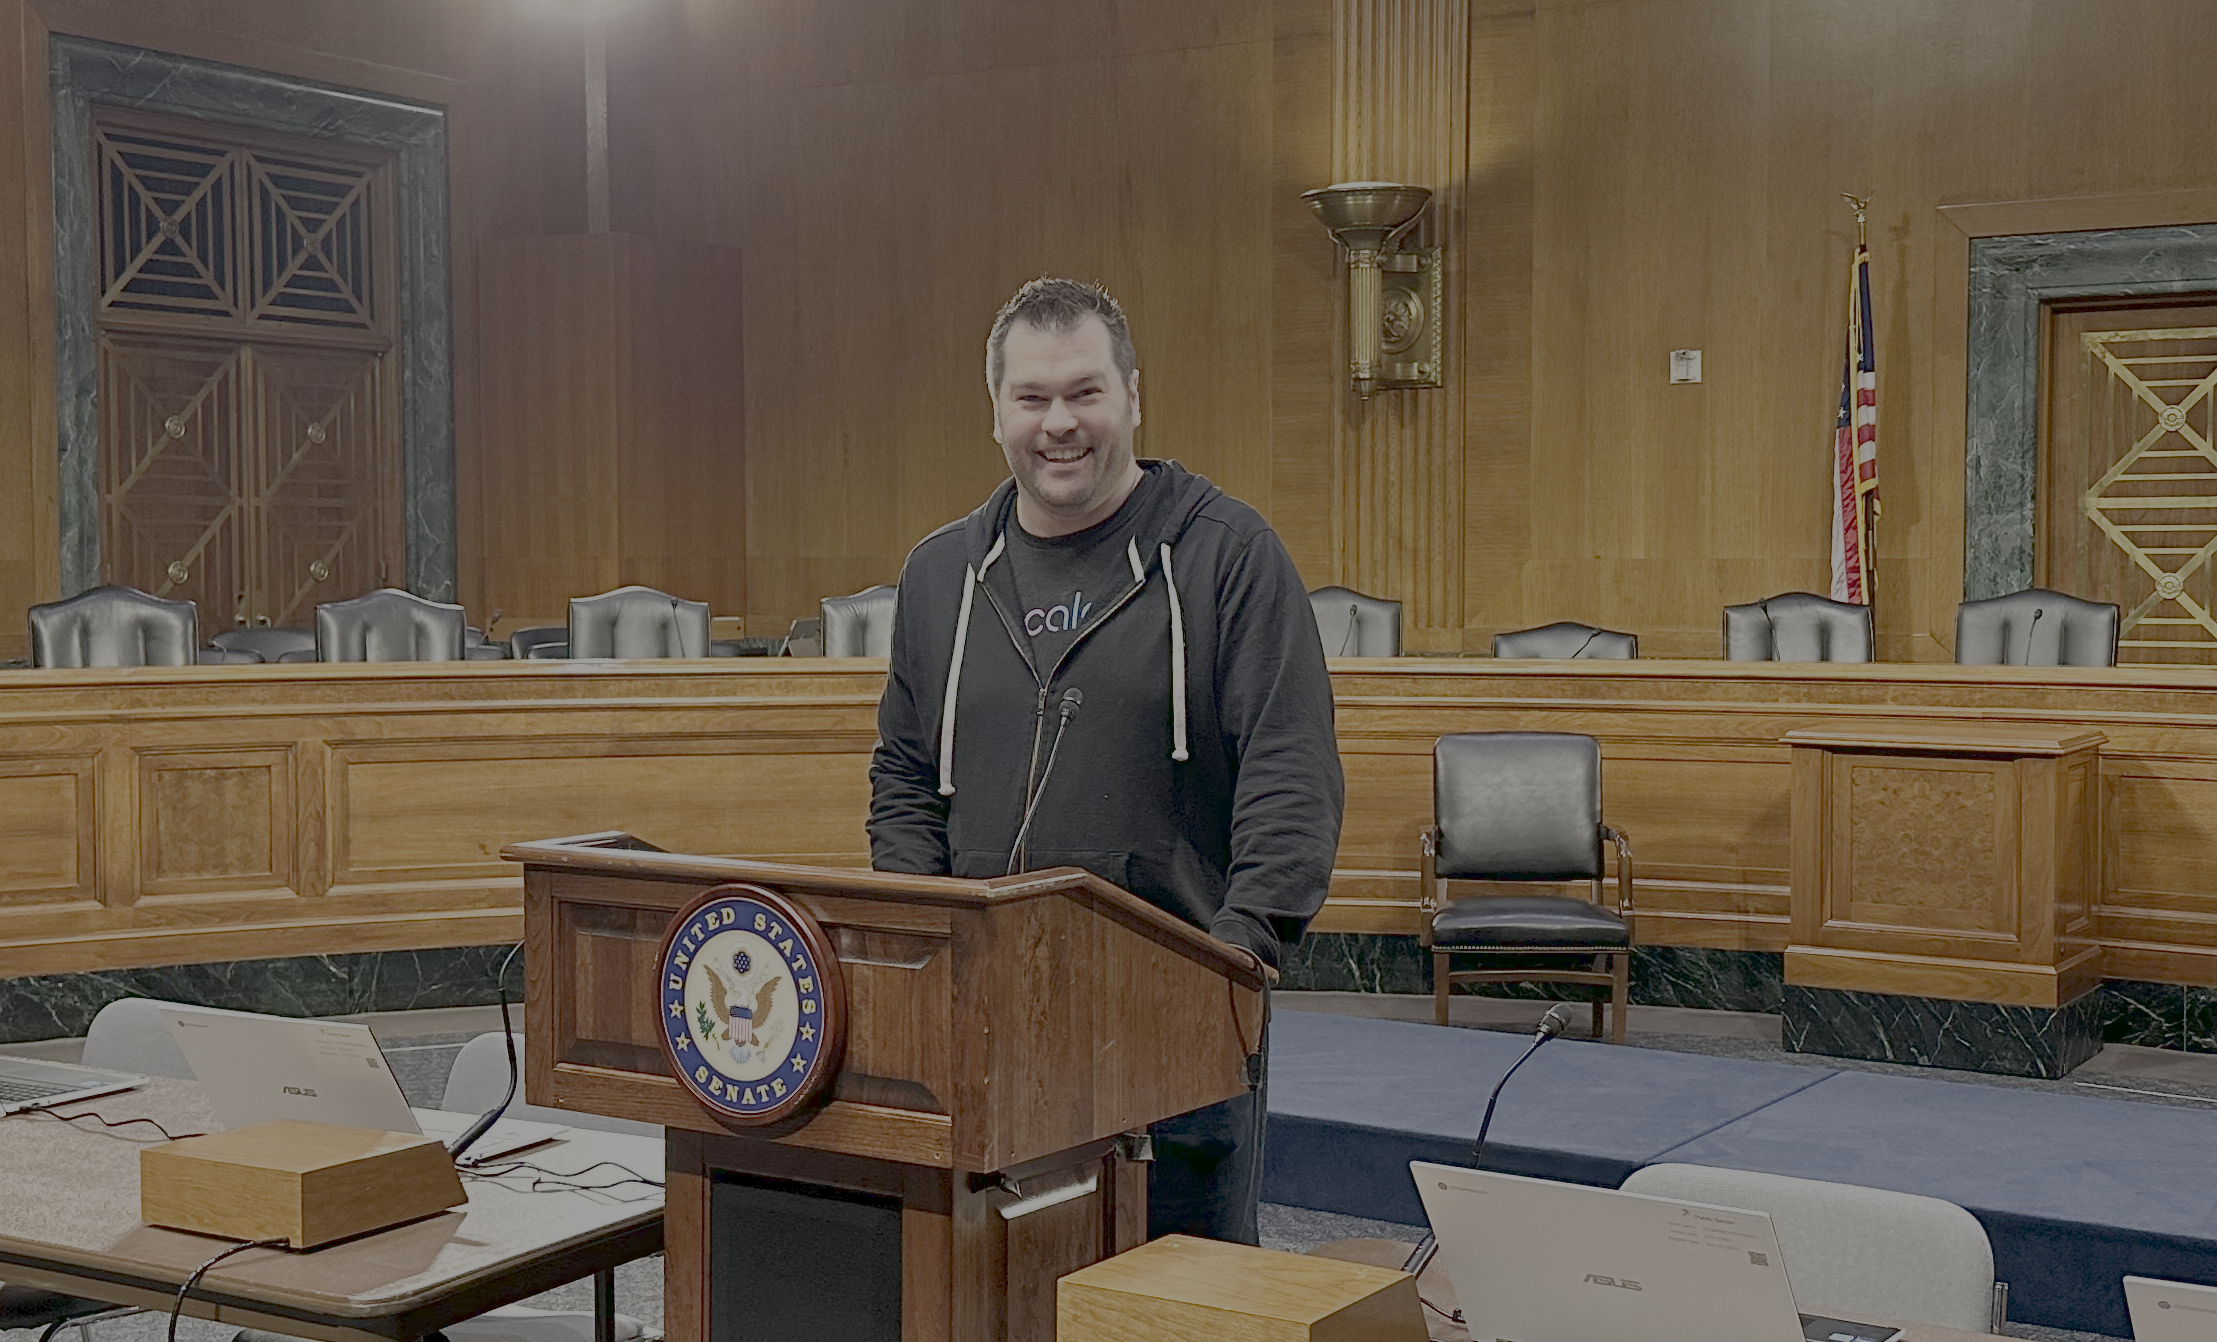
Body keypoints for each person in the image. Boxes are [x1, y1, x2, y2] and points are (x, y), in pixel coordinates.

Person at [867, 276, 1345, 1244]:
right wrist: (924, 940)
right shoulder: (940, 575)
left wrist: (1237, 958)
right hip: (985, 1022)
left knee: (1176, 1304)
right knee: (994, 1285)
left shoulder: (1227, 557)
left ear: (1133, 395)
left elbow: (1291, 776)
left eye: (1085, 392)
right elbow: (904, 779)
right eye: (1032, 397)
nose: (1059, 424)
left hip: (1175, 1031)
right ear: (995, 410)